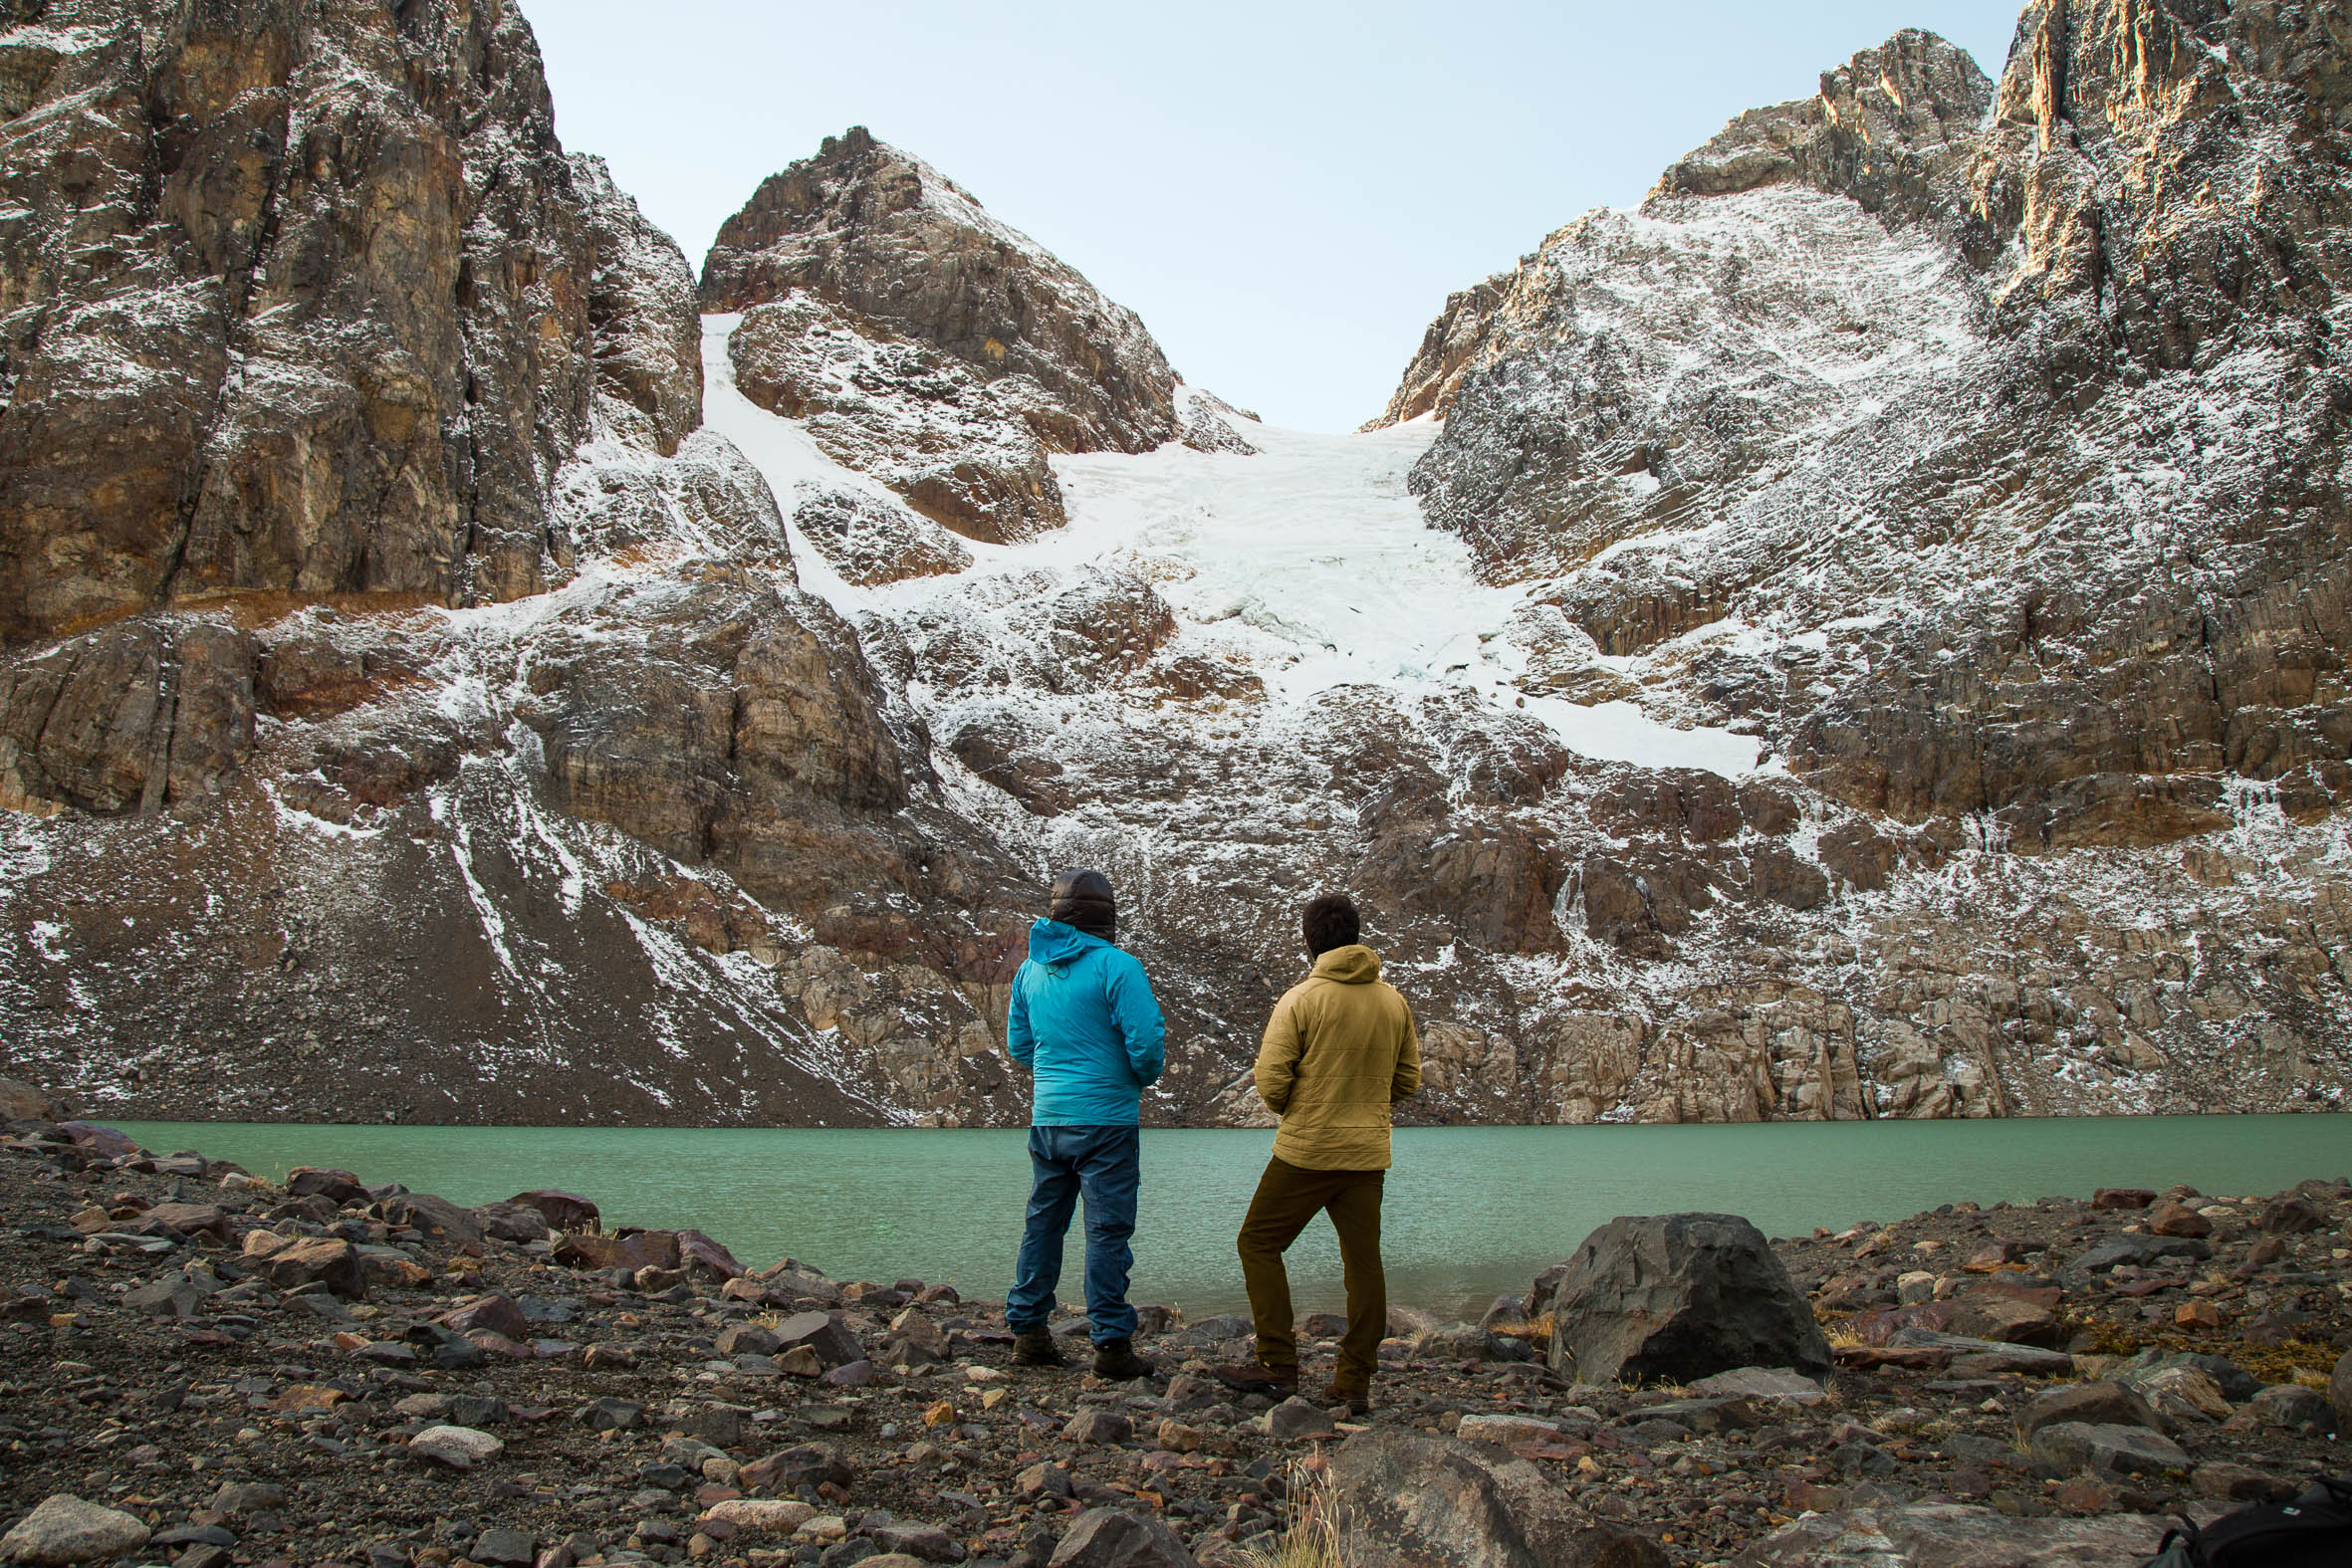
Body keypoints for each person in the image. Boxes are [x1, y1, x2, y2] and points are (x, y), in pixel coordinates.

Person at [1214, 891, 1419, 1416]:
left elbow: (1270, 1082)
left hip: (1305, 1152)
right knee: (1363, 1264)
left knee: (1258, 1243)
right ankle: (1353, 1382)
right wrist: (1367, 1103)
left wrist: (1301, 1109)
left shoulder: (1301, 999)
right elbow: (1408, 1081)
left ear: (1311, 942)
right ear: (1355, 935)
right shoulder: (1393, 1001)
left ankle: (1279, 1364)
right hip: (1366, 1156)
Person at [1004, 868, 1166, 1380]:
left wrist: (1056, 1076)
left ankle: (1029, 1334)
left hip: (1048, 1119)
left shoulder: (1029, 972)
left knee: (1043, 1224)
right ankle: (1111, 1346)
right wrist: (1132, 1079)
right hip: (1107, 1123)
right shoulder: (1118, 967)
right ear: (1106, 915)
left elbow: (1019, 1047)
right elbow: (1147, 1043)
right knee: (1107, 1231)